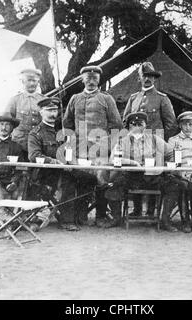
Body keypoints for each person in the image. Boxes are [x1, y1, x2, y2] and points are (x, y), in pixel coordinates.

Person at [62, 65, 123, 227]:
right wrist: (70, 146)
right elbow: (67, 124)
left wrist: (108, 146)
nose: (91, 82)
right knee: (82, 180)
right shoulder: (75, 99)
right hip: (79, 149)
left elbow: (117, 125)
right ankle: (81, 214)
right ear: (82, 80)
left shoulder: (106, 99)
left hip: (101, 150)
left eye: (94, 79)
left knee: (101, 180)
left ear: (99, 80)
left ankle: (101, 215)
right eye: (88, 79)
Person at [28, 97, 96, 231]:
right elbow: (34, 156)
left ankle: (80, 214)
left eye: (55, 110)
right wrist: (56, 162)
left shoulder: (63, 133)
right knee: (68, 180)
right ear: (41, 112)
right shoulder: (35, 133)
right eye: (49, 110)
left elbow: (70, 152)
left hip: (65, 168)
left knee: (90, 179)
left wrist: (75, 162)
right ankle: (67, 220)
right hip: (45, 172)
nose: (53, 114)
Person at [104, 112, 179, 231]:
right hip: (132, 177)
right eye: (134, 124)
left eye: (141, 124)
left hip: (153, 177)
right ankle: (116, 218)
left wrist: (165, 165)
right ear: (129, 126)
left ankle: (165, 220)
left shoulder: (154, 139)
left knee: (173, 186)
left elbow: (171, 153)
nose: (137, 127)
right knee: (113, 187)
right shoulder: (122, 141)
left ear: (145, 126)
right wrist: (132, 162)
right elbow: (113, 159)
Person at [122, 62, 179, 217]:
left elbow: (171, 124)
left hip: (154, 147)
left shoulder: (162, 99)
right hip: (135, 147)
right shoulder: (134, 98)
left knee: (153, 177)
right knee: (136, 175)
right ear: (139, 78)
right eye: (144, 76)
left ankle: (151, 212)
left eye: (150, 76)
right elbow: (125, 121)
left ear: (154, 79)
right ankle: (137, 209)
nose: (147, 79)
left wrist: (158, 144)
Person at [168, 111, 192, 232]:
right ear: (180, 125)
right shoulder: (172, 140)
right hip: (179, 173)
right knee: (183, 185)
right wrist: (182, 174)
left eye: (191, 124)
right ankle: (185, 221)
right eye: (185, 124)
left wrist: (191, 173)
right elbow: (171, 162)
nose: (187, 127)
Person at [5, 68, 44, 155]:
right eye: (29, 80)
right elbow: (7, 122)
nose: (32, 83)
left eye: (34, 81)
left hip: (38, 144)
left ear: (38, 82)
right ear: (22, 81)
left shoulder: (43, 100)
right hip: (19, 144)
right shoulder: (14, 100)